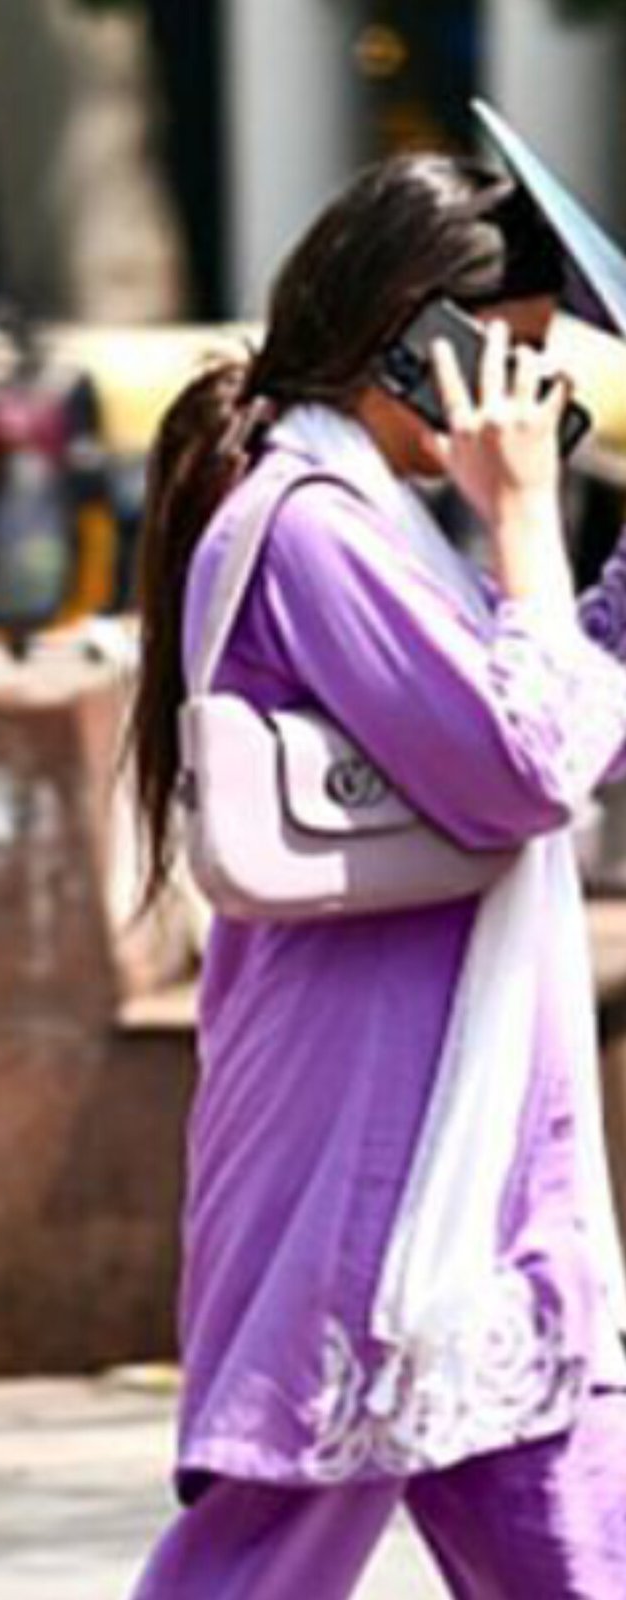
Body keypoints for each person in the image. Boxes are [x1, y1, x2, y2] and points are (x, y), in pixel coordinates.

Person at [130, 153, 626, 1597]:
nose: (533, 398)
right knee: (268, 1555)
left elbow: (568, 714)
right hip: (369, 1139)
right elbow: (523, 771)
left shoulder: (389, 530)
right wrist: (525, 523)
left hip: (483, 1147)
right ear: (418, 338)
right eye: (513, 357)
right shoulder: (309, 528)